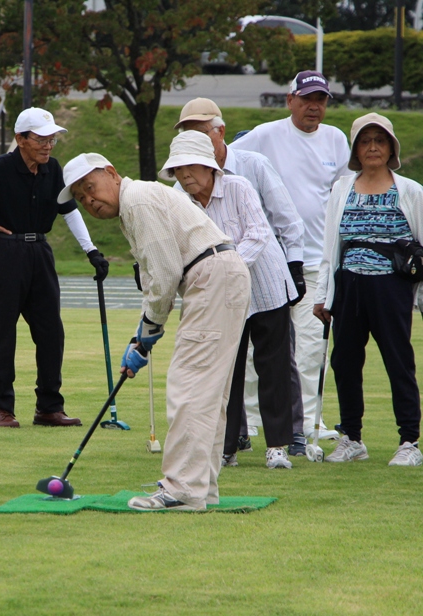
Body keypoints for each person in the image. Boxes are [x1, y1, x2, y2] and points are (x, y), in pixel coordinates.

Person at [57, 152, 251, 511]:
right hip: (220, 276)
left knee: (189, 386)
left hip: (211, 276)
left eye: (90, 188)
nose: (90, 201)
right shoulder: (136, 204)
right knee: (206, 392)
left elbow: (163, 278)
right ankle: (200, 488)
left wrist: (149, 331)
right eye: (81, 199)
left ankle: (181, 489)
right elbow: (155, 279)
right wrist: (140, 338)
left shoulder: (139, 201)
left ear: (111, 173)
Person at [0, 107, 109, 428]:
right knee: (3, 333)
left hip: (40, 253)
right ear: (20, 139)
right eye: (41, 139)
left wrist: (91, 251)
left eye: (52, 140)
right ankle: (1, 409)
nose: (48, 146)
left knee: (51, 332)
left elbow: (68, 209)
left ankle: (49, 407)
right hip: (4, 254)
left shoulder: (53, 169)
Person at [173, 97, 307, 457]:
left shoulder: (247, 172)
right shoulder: (179, 195)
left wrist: (294, 265)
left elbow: (264, 231)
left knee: (274, 366)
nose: (185, 173)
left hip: (264, 285)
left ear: (219, 133)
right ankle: (227, 444)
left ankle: (279, 445)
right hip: (221, 295)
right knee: (223, 369)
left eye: (200, 134)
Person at [231, 70, 351, 440]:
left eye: (321, 100)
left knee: (312, 347)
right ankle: (252, 421)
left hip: (316, 262)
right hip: (268, 262)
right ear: (290, 100)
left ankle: (307, 423)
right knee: (261, 350)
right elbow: (223, 161)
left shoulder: (336, 139)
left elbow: (343, 190)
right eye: (307, 99)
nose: (314, 107)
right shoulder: (266, 135)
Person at [314, 112, 423, 466]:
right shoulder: (341, 189)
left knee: (398, 361)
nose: (372, 147)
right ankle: (352, 437)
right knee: (344, 362)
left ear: (391, 147)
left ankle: (409, 441)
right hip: (349, 284)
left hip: (391, 286)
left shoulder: (410, 191)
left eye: (380, 140)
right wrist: (322, 294)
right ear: (356, 150)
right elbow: (330, 245)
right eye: (365, 141)